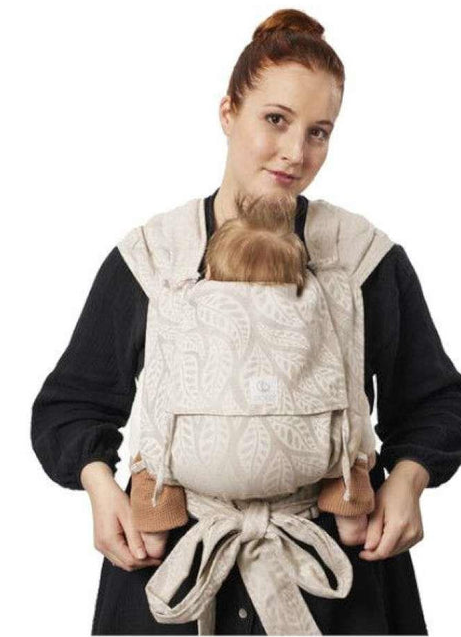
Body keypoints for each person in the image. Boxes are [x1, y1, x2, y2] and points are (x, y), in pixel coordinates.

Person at [31, 8, 461, 635]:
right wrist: (101, 489)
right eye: (276, 120)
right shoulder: (155, 258)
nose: (296, 153)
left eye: (319, 132)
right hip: (175, 574)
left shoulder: (361, 260)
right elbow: (69, 406)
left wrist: (408, 480)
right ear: (227, 112)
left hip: (335, 587)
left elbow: (437, 402)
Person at [128, 191, 376, 553]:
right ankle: (350, 517)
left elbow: (158, 391)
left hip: (195, 463)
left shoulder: (183, 297)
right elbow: (352, 404)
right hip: (308, 460)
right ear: (297, 277)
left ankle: (154, 533)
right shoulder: (321, 299)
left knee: (150, 455)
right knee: (350, 448)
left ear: (210, 272)